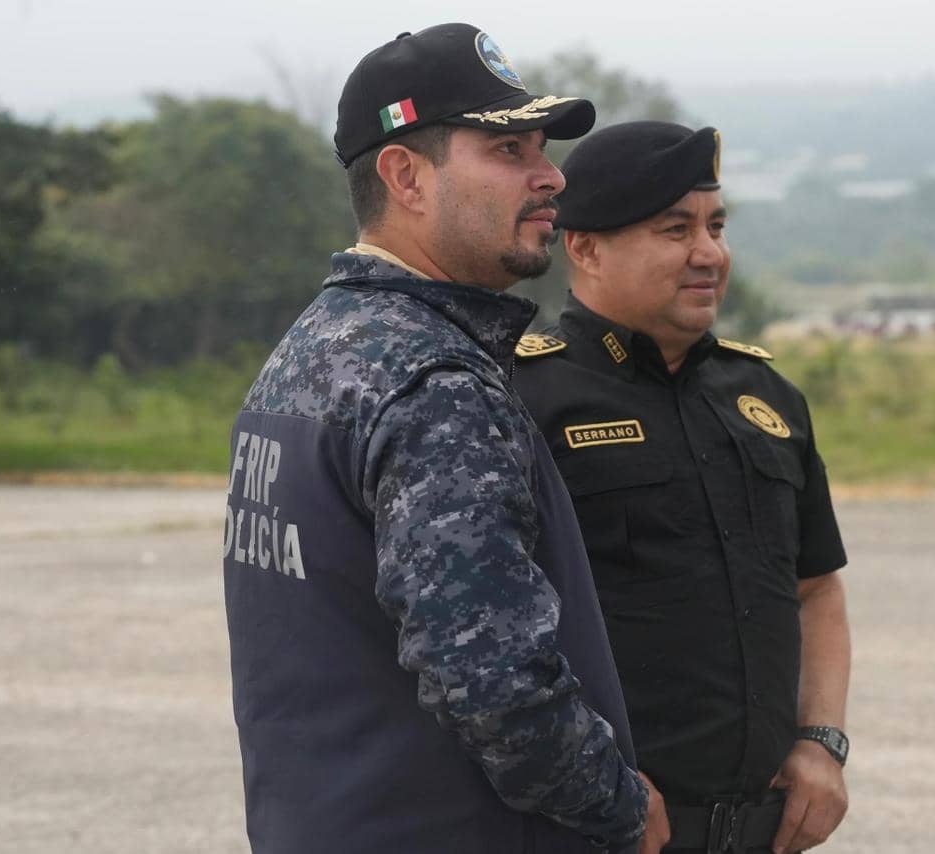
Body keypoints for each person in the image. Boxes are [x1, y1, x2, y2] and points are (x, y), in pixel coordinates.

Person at [223, 25, 669, 854]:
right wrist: (618, 804)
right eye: (508, 149)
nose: (552, 177)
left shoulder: (310, 351)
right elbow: (491, 676)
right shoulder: (432, 382)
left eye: (543, 147)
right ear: (405, 176)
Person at [513, 121, 852, 854]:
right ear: (585, 247)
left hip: (763, 833)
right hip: (596, 830)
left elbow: (816, 587)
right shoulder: (519, 397)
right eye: (675, 230)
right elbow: (490, 632)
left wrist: (822, 741)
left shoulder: (766, 397)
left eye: (716, 226)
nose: (710, 255)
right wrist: (588, 780)